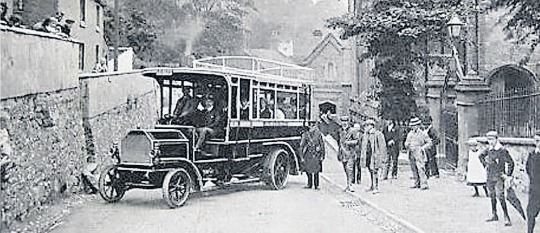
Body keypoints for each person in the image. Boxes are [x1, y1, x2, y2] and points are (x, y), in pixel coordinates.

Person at [479, 131, 514, 226]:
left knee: (500, 196)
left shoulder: (502, 150)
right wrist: (485, 165)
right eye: (488, 139)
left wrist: (508, 175)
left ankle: (506, 217)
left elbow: (511, 162)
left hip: (499, 176)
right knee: (492, 195)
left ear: (496, 139)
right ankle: (494, 214)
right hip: (490, 176)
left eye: (492, 139)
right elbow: (480, 156)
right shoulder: (488, 149)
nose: (490, 142)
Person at [360, 119, 387, 194]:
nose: (366, 127)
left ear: (371, 126)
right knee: (370, 171)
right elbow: (363, 146)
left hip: (375, 156)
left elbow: (382, 147)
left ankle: (376, 187)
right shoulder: (365, 135)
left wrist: (382, 157)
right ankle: (372, 185)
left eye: (367, 125)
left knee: (375, 171)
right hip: (368, 155)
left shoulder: (378, 134)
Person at [404, 117, 431, 190]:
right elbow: (407, 141)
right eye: (412, 125)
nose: (413, 127)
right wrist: (406, 144)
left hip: (419, 151)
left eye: (415, 125)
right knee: (413, 168)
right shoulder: (410, 133)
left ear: (418, 125)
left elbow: (429, 142)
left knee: (420, 167)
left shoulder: (423, 133)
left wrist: (423, 148)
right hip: (411, 151)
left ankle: (424, 183)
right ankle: (416, 182)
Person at [300, 122, 325, 190]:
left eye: (313, 125)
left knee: (316, 170)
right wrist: (301, 156)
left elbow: (322, 144)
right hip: (308, 154)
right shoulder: (305, 134)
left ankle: (316, 185)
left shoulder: (318, 134)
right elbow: (301, 146)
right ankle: (309, 184)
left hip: (316, 154)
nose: (312, 127)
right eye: (310, 125)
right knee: (308, 170)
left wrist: (322, 155)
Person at [338, 116, 360, 192]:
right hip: (343, 153)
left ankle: (350, 185)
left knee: (349, 169)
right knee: (345, 169)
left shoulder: (352, 130)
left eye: (345, 121)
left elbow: (357, 141)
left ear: (348, 122)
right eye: (343, 121)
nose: (344, 123)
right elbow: (339, 142)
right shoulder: (340, 130)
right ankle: (348, 184)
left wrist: (349, 142)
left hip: (350, 153)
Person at [527, 131, 540, 233]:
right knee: (531, 213)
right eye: (535, 141)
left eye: (538, 140)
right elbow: (528, 168)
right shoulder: (532, 154)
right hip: (535, 189)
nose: (537, 143)